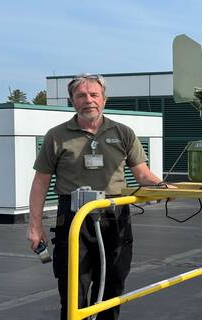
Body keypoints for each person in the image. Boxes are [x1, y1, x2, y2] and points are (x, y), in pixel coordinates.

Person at [27, 74, 166, 320]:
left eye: (94, 95)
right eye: (81, 95)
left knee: (113, 284)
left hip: (115, 215)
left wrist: (162, 186)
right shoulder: (57, 136)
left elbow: (143, 174)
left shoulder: (123, 133)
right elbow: (40, 182)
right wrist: (34, 227)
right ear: (72, 101)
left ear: (104, 99)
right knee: (73, 289)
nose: (88, 100)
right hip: (73, 219)